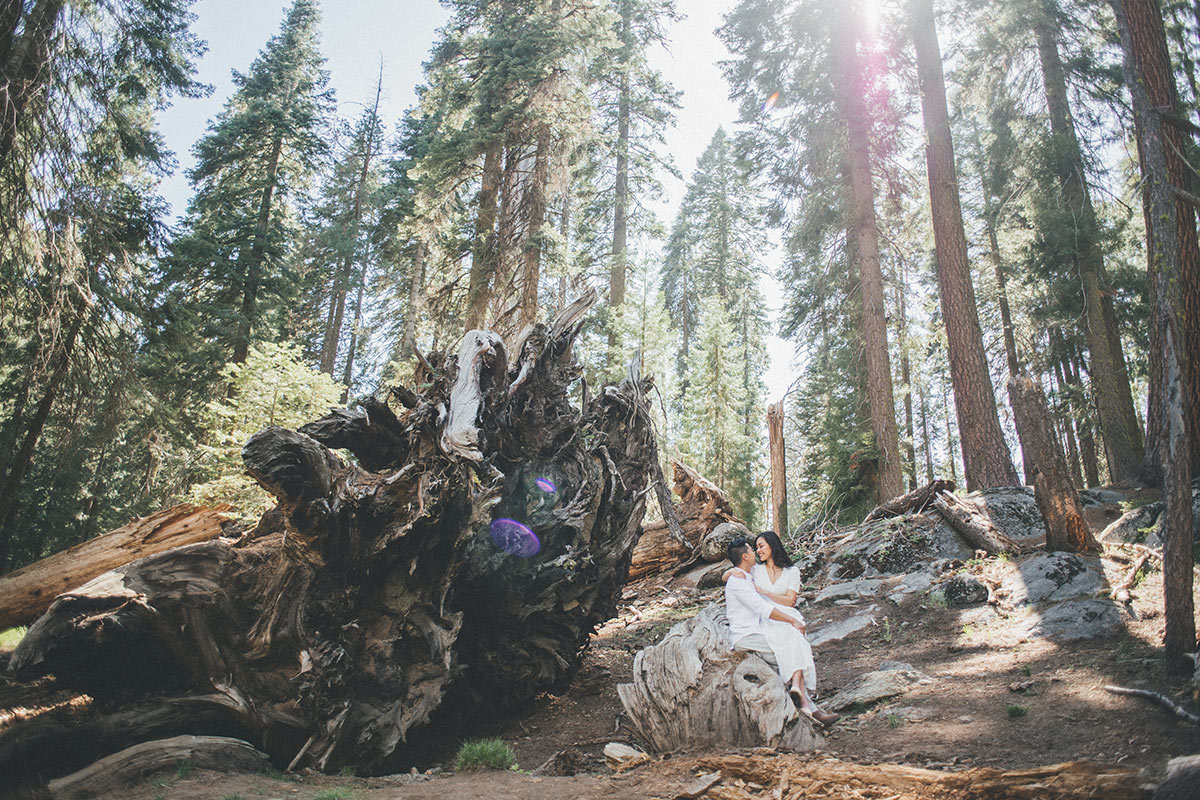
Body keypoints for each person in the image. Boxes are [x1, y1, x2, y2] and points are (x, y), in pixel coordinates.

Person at [724, 537, 839, 726]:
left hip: (759, 631)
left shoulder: (748, 577)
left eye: (760, 547)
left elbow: (784, 601)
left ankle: (804, 703)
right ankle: (808, 707)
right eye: (753, 550)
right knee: (794, 652)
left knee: (795, 645)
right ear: (745, 556)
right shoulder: (740, 581)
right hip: (747, 636)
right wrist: (792, 620)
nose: (756, 552)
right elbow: (763, 608)